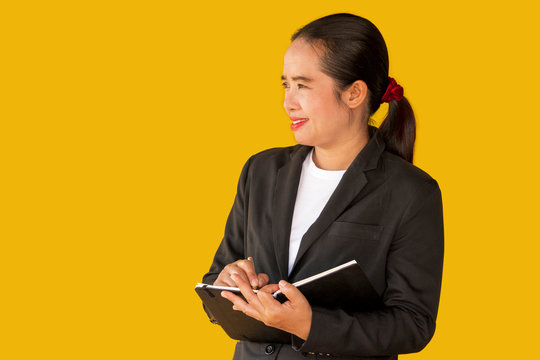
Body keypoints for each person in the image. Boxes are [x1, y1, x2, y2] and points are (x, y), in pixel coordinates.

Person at [201, 13, 444, 360]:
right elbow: (216, 275)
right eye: (286, 84)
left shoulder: (412, 193)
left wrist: (310, 325)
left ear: (354, 93)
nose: (288, 101)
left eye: (303, 85)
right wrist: (227, 281)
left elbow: (413, 324)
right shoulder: (261, 171)